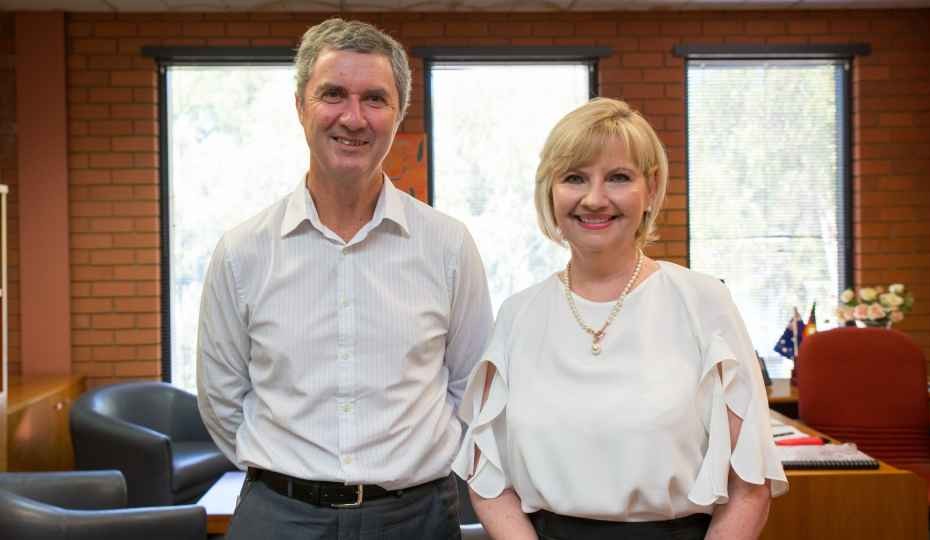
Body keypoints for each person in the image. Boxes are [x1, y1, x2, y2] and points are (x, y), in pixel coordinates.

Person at [196, 18, 493, 540]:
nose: (353, 118)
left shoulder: (448, 246)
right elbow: (222, 398)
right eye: (332, 94)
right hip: (279, 518)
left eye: (374, 99)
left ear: (398, 115)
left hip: (415, 518)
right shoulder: (242, 252)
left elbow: (472, 389)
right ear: (300, 106)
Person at [452, 98, 788, 540]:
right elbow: (488, 481)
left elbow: (748, 489)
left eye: (618, 177)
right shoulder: (518, 315)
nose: (594, 199)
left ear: (651, 188)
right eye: (574, 178)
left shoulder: (704, 302)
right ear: (550, 190)